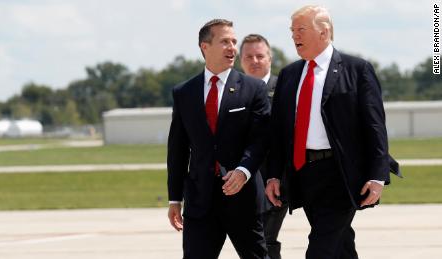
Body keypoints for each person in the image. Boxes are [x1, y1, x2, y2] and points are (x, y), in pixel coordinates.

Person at [265, 5, 400, 259]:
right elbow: (278, 132)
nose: (295, 36)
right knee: (340, 246)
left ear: (324, 32)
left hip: (342, 174)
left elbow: (374, 126)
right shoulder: (289, 75)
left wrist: (377, 175)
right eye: (292, 31)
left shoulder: (357, 69)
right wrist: (274, 175)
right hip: (304, 173)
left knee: (320, 249)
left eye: (301, 29)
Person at [167, 19, 271, 259]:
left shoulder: (253, 88)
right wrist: (175, 198)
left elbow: (261, 139)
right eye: (225, 41)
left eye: (234, 42)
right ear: (205, 46)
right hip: (200, 201)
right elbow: (178, 149)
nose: (232, 47)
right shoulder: (184, 92)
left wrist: (243, 170)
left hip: (241, 197)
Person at [240, 34, 287, 259]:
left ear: (270, 58)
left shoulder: (286, 89)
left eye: (260, 55)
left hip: (276, 178)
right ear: (241, 60)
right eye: (249, 56)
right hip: (243, 180)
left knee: (265, 238)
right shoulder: (233, 90)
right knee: (253, 240)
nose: (255, 61)